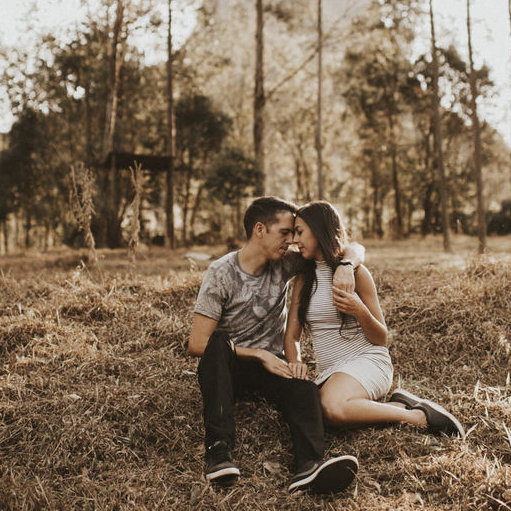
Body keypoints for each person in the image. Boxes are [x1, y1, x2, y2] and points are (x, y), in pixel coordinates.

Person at [188, 196, 362, 493]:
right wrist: (258, 354)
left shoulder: (285, 264)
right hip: (229, 368)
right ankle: (218, 454)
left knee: (304, 383)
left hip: (272, 369)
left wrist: (346, 265)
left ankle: (310, 466)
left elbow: (351, 246)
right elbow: (196, 343)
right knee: (217, 342)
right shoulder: (221, 272)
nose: (292, 240)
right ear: (260, 230)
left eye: (295, 233)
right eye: (285, 232)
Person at [285, 200, 461, 436]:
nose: (295, 240)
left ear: (319, 230)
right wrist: (295, 361)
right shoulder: (304, 279)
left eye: (300, 232)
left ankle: (416, 416)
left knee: (332, 408)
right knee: (317, 415)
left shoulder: (357, 273)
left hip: (367, 360)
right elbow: (292, 334)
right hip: (331, 373)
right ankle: (398, 404)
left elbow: (381, 338)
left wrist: (359, 310)